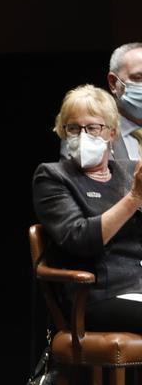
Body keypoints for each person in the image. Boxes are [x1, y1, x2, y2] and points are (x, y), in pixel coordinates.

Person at [34, 85, 142, 330]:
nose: (83, 135)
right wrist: (134, 197)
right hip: (95, 294)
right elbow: (80, 239)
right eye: (73, 128)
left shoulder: (128, 172)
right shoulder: (52, 176)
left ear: (112, 133)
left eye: (93, 127)